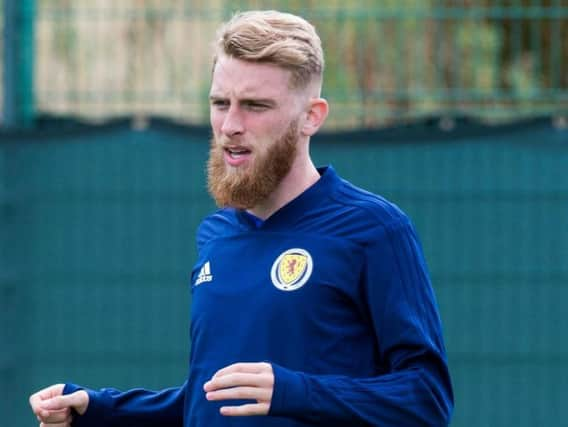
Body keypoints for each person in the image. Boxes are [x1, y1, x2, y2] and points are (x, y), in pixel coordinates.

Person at [29, 10, 453, 427]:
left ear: (311, 116)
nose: (230, 124)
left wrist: (296, 393)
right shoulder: (216, 234)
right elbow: (213, 400)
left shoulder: (374, 230)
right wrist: (101, 411)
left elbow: (427, 399)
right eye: (220, 103)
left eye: (254, 105)